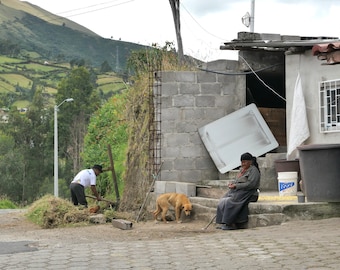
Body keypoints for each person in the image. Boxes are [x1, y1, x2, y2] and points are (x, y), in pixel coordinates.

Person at [215, 152, 260, 230]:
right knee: (223, 200)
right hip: (238, 191)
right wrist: (232, 184)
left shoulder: (254, 171)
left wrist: (236, 186)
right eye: (242, 162)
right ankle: (223, 222)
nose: (243, 164)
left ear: (250, 162)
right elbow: (237, 181)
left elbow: (251, 184)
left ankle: (230, 223)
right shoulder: (241, 170)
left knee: (230, 201)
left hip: (249, 193)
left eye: (245, 162)